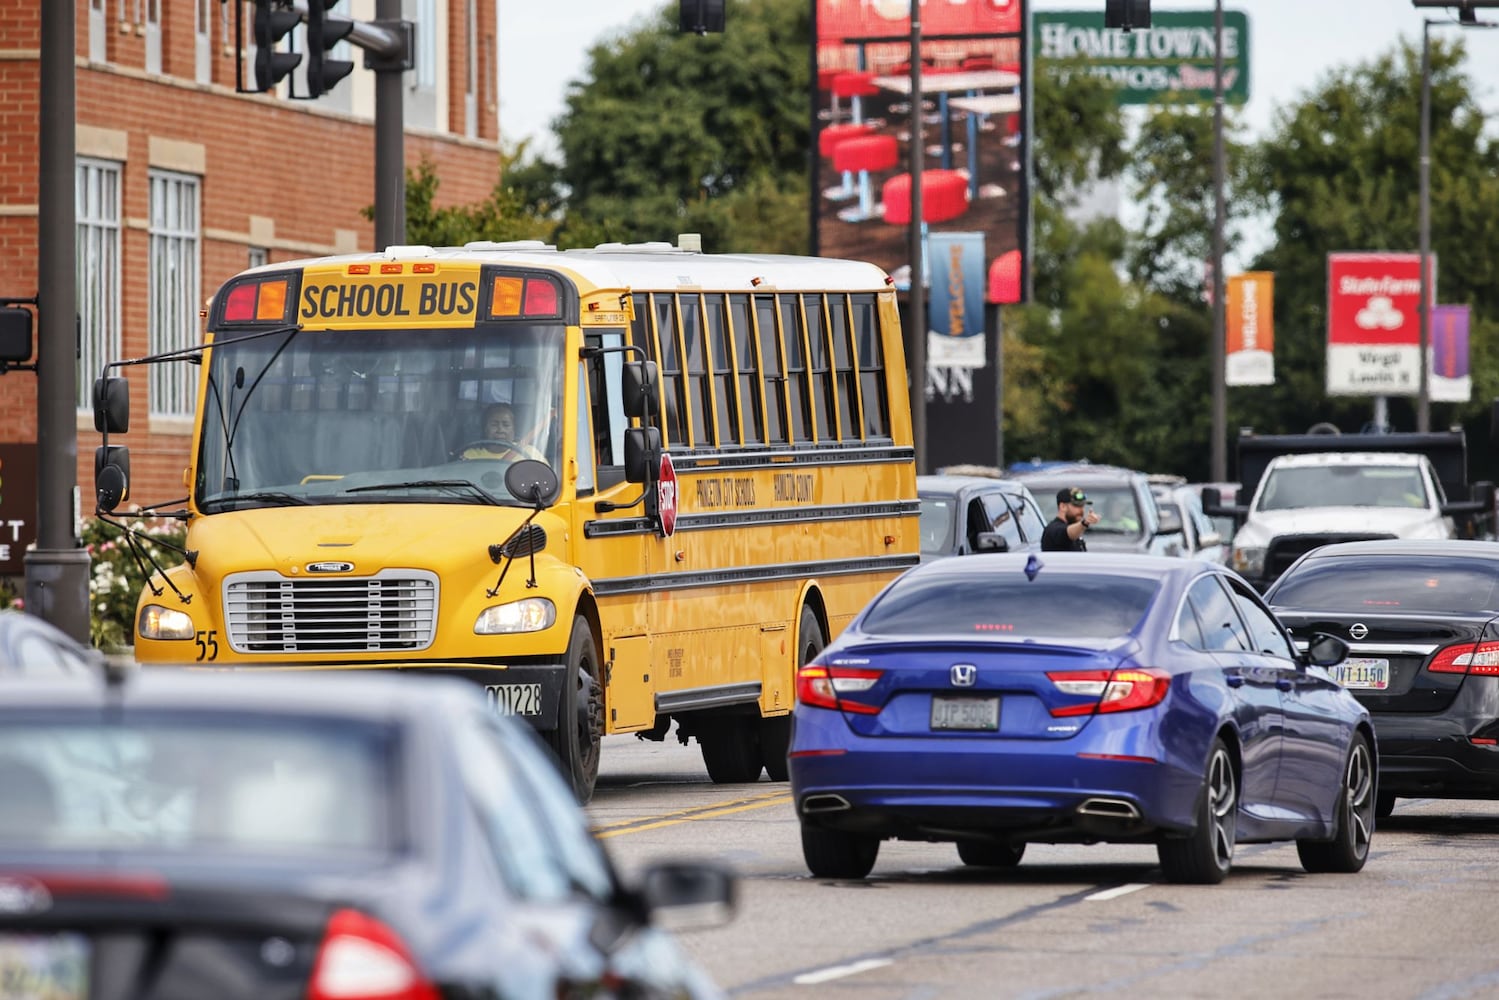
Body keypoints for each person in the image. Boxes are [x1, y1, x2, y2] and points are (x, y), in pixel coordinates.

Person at [461, 402, 544, 462]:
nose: (500, 430)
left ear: (514, 429)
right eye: (494, 425)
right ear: (485, 428)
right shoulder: (469, 456)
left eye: (506, 425)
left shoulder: (531, 454)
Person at [1041, 486, 1099, 552]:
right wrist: (1085, 523)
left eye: (1082, 506)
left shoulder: (1076, 533)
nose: (1081, 510)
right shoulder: (1053, 530)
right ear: (1063, 506)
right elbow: (1067, 533)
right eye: (1077, 506)